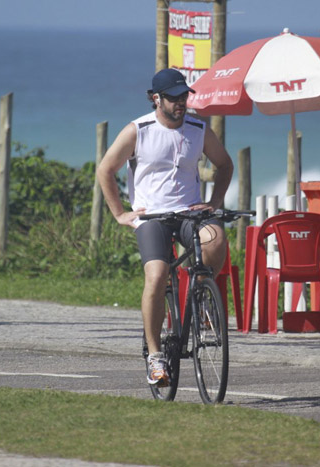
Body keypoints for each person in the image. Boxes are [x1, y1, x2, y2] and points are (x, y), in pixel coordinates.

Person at [97, 68, 233, 386]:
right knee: (157, 275)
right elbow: (105, 169)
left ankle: (199, 295)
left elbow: (225, 164)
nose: (181, 103)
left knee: (215, 238)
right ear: (156, 98)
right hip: (152, 216)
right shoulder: (138, 130)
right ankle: (156, 356)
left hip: (190, 213)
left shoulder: (200, 129)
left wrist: (214, 203)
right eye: (173, 98)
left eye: (184, 96)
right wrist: (119, 213)